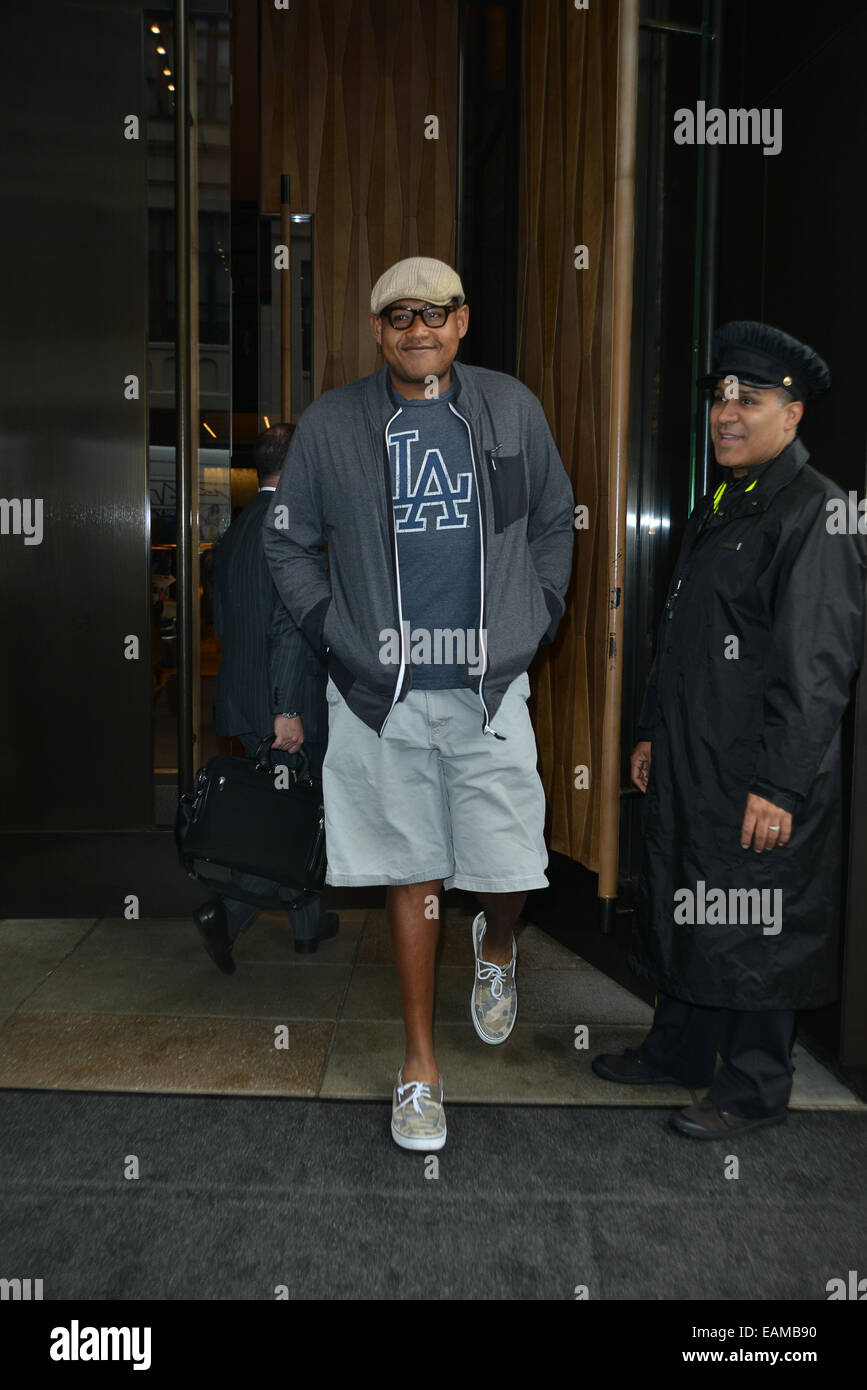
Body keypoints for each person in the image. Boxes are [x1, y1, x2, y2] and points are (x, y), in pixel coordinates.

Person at [263, 256, 574, 1149]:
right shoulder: (332, 426)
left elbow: (555, 519)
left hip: (487, 687)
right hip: (382, 697)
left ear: (462, 321)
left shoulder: (510, 408)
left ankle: (499, 944)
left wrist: (538, 615)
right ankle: (418, 1069)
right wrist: (338, 637)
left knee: (512, 868)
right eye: (397, 315)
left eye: (433, 312)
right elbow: (286, 547)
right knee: (414, 875)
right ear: (377, 331)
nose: (417, 329)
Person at [594, 321, 865, 1138]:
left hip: (754, 772)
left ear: (793, 413)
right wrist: (647, 733)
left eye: (749, 398)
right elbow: (676, 635)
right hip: (691, 759)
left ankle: (752, 1089)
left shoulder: (819, 512)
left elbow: (817, 669)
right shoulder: (723, 502)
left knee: (752, 923)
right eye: (719, 396)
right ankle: (677, 1051)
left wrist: (779, 785)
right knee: (689, 905)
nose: (727, 412)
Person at [193, 423, 338, 973]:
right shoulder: (294, 526)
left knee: (295, 810)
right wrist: (289, 709)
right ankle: (225, 915)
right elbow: (288, 626)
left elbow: (225, 622)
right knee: (294, 823)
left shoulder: (237, 528)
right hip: (284, 705)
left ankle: (307, 926)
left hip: (246, 696)